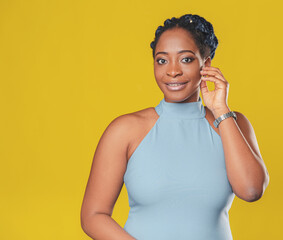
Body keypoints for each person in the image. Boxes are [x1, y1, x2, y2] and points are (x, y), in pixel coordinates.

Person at [81, 13, 270, 240]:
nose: (172, 71)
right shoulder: (125, 130)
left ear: (206, 64)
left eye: (186, 59)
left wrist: (221, 110)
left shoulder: (232, 124)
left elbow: (251, 191)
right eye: (162, 60)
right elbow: (93, 216)